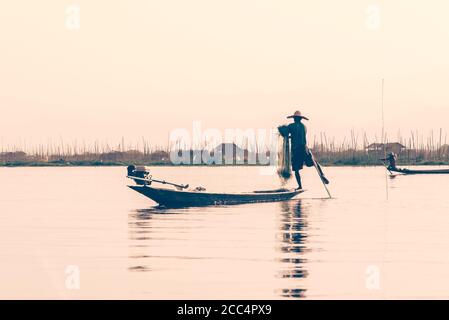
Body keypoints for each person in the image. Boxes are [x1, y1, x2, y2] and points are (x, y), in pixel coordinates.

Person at [287, 110, 309, 190]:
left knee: (296, 170)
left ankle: (300, 186)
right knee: (311, 162)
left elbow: (285, 133)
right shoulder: (304, 127)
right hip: (304, 149)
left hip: (296, 151)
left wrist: (289, 136)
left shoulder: (291, 126)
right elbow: (299, 136)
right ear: (300, 119)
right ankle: (322, 173)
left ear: (294, 119)